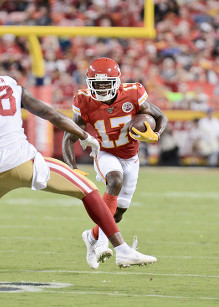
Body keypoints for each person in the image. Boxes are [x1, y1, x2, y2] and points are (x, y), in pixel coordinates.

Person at [0, 43, 157, 284]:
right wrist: (85, 136)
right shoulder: (9, 83)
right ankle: (122, 249)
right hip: (25, 161)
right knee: (88, 189)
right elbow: (51, 115)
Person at [62, 57, 168, 269]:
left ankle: (91, 237)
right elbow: (69, 137)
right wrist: (72, 169)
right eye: (97, 84)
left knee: (118, 213)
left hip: (131, 156)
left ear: (117, 82)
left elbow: (160, 116)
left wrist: (156, 134)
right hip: (105, 153)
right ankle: (103, 244)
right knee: (114, 181)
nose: (101, 89)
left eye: (106, 84)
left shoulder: (133, 93)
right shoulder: (84, 100)